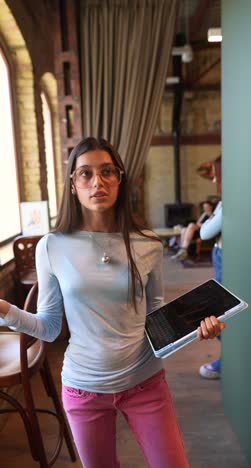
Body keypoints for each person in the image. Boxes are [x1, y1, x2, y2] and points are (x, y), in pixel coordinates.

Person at [0, 137, 225, 467]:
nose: (97, 182)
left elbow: (155, 317)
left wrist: (195, 329)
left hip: (145, 382)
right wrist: (5, 311)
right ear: (73, 186)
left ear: (120, 179)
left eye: (107, 171)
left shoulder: (147, 243)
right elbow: (48, 328)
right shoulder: (52, 246)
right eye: (85, 174)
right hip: (84, 389)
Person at [199, 155, 222, 380]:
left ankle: (226, 361)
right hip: (220, 252)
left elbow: (205, 232)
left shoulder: (228, 203)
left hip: (224, 255)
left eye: (216, 176)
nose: (215, 181)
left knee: (222, 308)